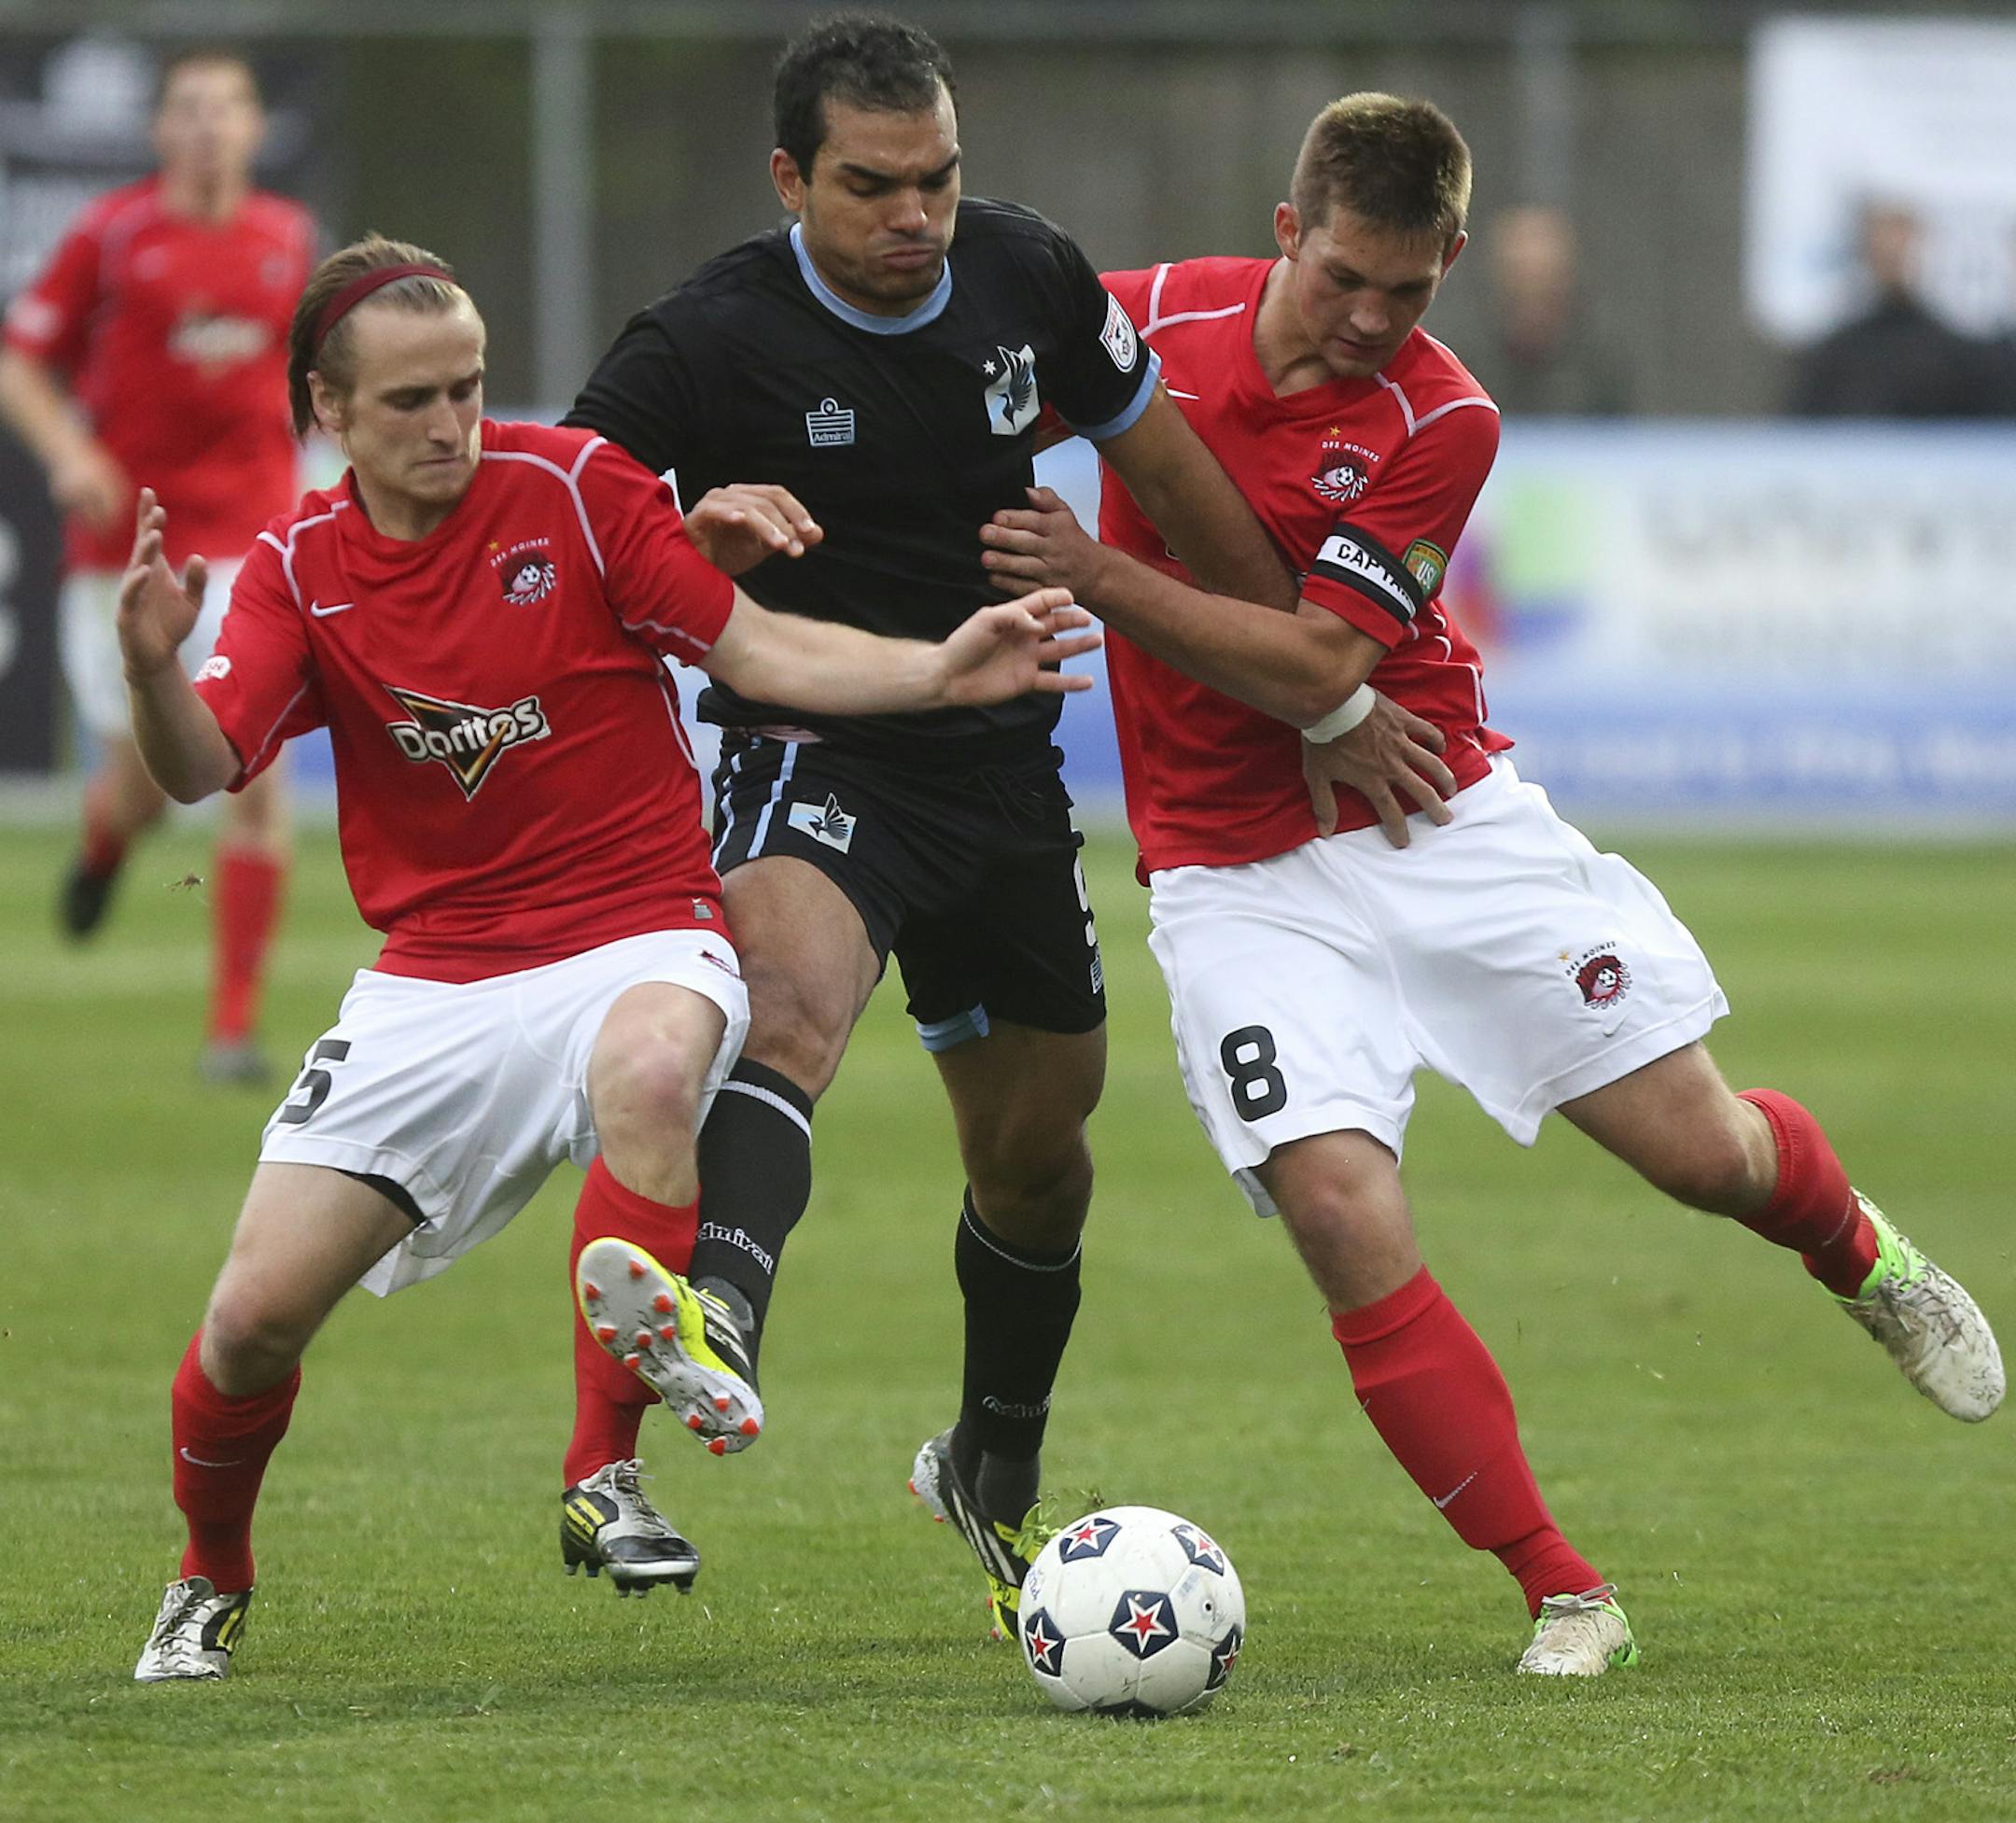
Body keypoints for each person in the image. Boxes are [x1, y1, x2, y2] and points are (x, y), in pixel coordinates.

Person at [979, 92, 2005, 1677]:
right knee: (1334, 1198)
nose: (1376, 319)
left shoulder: (1441, 416)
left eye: (1412, 289)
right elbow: (948, 395)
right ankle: (1563, 1584)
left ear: (1454, 259)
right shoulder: (1138, 326)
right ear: (1287, 233)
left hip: (1431, 816)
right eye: (1344, 282)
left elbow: (1325, 661)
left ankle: (1857, 1250)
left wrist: (1098, 572)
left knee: (1706, 1152)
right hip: (1233, 868)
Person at [127, 233, 1099, 1680]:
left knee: (657, 1063)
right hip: (434, 979)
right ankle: (209, 1575)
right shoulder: (296, 573)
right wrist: (152, 665)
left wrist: (940, 666)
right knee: (252, 1319)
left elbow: (761, 650)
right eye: (409, 402)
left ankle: (603, 1478)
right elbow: (200, 769)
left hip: (638, 923)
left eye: (466, 385)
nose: (452, 423)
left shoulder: (579, 492)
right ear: (328, 412)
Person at [558, 11, 1414, 1641]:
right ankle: (719, 1304)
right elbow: (558, 523)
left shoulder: (1028, 276)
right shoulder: (708, 335)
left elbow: (1163, 467)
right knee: (791, 996)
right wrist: (686, 520)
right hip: (814, 733)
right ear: (788, 179)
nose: (916, 219)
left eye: (940, 180)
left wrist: (1304, 668)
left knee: (1037, 1158)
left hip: (1007, 765)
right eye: (874, 186)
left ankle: (990, 1464)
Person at [0, 47, 313, 1083]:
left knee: (251, 778)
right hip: (130, 548)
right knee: (144, 786)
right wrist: (73, 452)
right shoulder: (115, 234)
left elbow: (320, 376)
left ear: (256, 129)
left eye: (228, 107)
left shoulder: (288, 239)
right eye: (188, 108)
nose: (209, 126)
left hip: (256, 543)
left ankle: (232, 1032)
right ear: (160, 131)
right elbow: (20, 360)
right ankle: (103, 843)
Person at [1785, 202, 2006, 418]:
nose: (1893, 252)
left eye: (1902, 240)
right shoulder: (1835, 356)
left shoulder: (1962, 357)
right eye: (1882, 242)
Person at [1473, 204, 1631, 415]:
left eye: (1544, 279)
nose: (1532, 285)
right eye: (1521, 276)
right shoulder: (1469, 365)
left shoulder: (1602, 368)